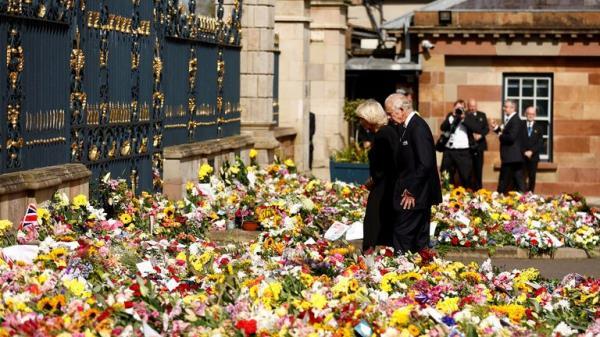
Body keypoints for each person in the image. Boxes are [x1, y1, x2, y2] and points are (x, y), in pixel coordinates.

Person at [385, 93, 442, 254]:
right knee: (418, 244)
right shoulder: (406, 126)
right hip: (415, 194)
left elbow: (425, 163)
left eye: (390, 113)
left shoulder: (418, 127)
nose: (389, 117)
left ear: (401, 109)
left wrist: (411, 190)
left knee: (403, 236)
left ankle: (400, 271)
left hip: (415, 196)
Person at [357, 100, 398, 251]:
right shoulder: (385, 132)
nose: (360, 122)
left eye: (362, 118)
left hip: (384, 186)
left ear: (369, 118)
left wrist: (373, 179)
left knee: (373, 220)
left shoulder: (383, 134)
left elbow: (386, 163)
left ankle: (370, 253)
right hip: (385, 184)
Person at [440, 99, 478, 189]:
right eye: (457, 108)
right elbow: (443, 127)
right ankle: (446, 196)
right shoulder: (450, 116)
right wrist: (452, 117)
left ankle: (467, 198)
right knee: (446, 176)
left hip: (463, 152)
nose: (458, 110)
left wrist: (463, 118)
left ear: (464, 108)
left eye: (461, 108)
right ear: (453, 108)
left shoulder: (468, 116)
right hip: (449, 151)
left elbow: (476, 128)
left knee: (466, 177)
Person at [491, 100, 526, 194]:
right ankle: (526, 199)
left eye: (506, 107)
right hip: (513, 156)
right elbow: (506, 133)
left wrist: (500, 136)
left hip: (511, 156)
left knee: (503, 180)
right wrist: (496, 128)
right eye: (504, 106)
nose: (504, 109)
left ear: (512, 108)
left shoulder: (515, 120)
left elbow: (511, 137)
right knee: (519, 181)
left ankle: (498, 198)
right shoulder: (511, 119)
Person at [466, 99, 489, 190]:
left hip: (479, 146)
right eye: (470, 106)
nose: (472, 108)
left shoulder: (482, 115)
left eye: (474, 106)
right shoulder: (465, 115)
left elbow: (486, 128)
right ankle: (469, 189)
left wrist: (480, 135)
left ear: (476, 106)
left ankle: (479, 189)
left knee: (478, 169)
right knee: (469, 170)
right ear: (468, 106)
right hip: (468, 146)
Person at [522, 106, 544, 192]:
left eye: (533, 114)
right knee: (521, 177)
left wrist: (531, 151)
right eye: (529, 114)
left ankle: (530, 195)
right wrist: (524, 151)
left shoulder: (539, 127)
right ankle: (521, 195)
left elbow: (540, 142)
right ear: (525, 114)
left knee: (532, 176)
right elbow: (518, 141)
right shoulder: (521, 126)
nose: (531, 115)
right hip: (522, 156)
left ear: (535, 115)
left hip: (533, 156)